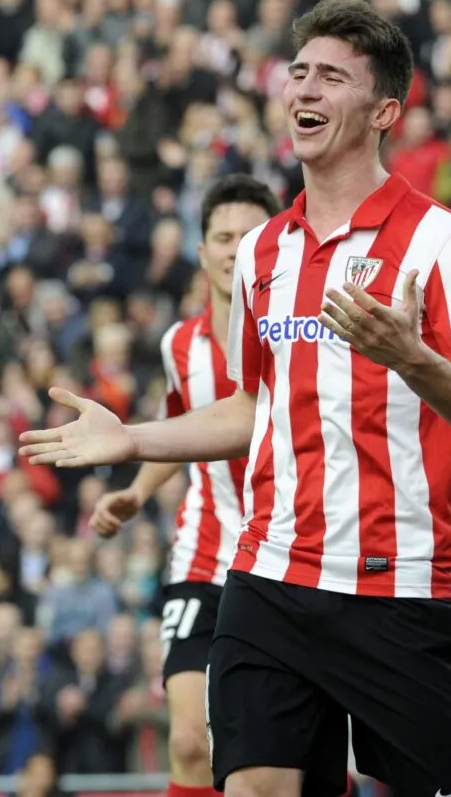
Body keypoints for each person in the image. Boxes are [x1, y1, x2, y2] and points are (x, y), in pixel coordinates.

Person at [21, 0, 451, 797]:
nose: (305, 90)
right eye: (299, 73)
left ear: (384, 112)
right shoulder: (261, 252)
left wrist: (410, 358)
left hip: (401, 586)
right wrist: (136, 439)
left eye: (333, 78)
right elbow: (254, 408)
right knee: (249, 785)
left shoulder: (445, 242)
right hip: (271, 574)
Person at [89, 174, 281, 797]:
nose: (234, 249)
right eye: (222, 237)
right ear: (201, 252)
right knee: (189, 742)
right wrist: (138, 492)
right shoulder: (179, 346)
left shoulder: (298, 340)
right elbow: (180, 427)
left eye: (249, 235)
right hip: (205, 552)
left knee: (286, 761)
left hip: (289, 559)